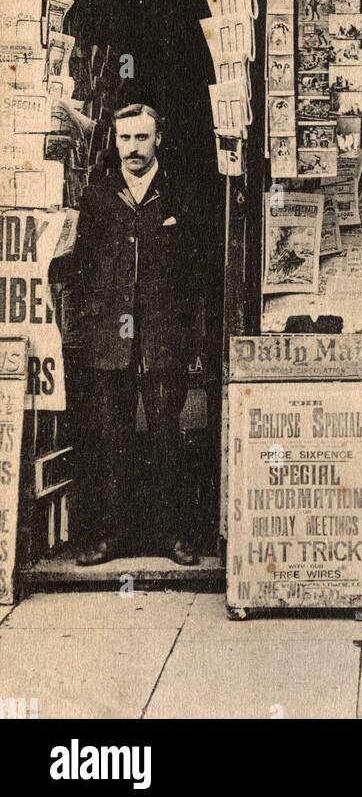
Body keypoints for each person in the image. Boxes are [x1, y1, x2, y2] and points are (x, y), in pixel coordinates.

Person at [62, 102, 202, 566]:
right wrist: (88, 324)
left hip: (162, 336)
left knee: (166, 435)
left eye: (142, 138)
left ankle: (170, 536)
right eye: (125, 139)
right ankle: (114, 536)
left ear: (157, 139)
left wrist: (187, 328)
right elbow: (82, 270)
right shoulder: (99, 195)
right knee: (113, 438)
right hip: (111, 338)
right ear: (115, 142)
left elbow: (196, 271)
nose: (133, 148)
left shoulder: (179, 193)